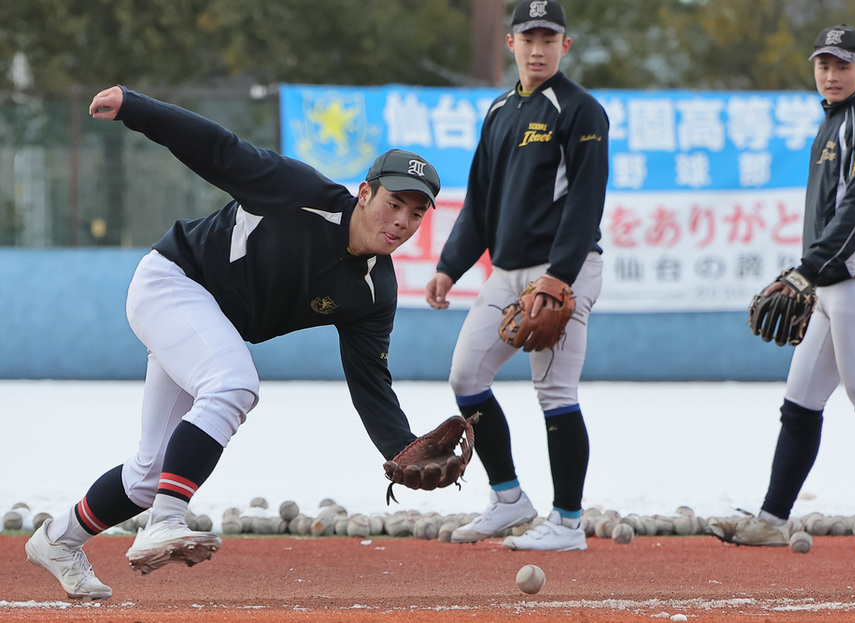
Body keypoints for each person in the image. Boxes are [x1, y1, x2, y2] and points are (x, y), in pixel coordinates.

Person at [25, 85, 442, 600]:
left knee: (148, 475)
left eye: (416, 213)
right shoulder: (300, 192)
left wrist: (401, 447)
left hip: (205, 324)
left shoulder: (375, 291)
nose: (401, 221)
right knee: (233, 383)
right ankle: (167, 520)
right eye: (393, 202)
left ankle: (58, 540)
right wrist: (136, 107)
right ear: (364, 192)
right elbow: (219, 149)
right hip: (173, 281)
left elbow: (370, 380)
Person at [708, 24, 855, 549]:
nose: (831, 74)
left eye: (842, 65)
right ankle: (772, 518)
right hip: (835, 287)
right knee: (800, 403)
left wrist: (807, 271)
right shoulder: (835, 123)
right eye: (823, 65)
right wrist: (812, 273)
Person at [424, 0, 609, 551]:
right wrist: (448, 267)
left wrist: (560, 278)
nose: (537, 47)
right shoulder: (500, 110)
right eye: (528, 37)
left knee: (554, 391)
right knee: (466, 379)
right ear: (511, 44)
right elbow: (480, 201)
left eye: (548, 37)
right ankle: (509, 499)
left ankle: (569, 524)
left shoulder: (579, 110)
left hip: (562, 272)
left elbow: (585, 201)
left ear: (564, 46)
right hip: (505, 274)